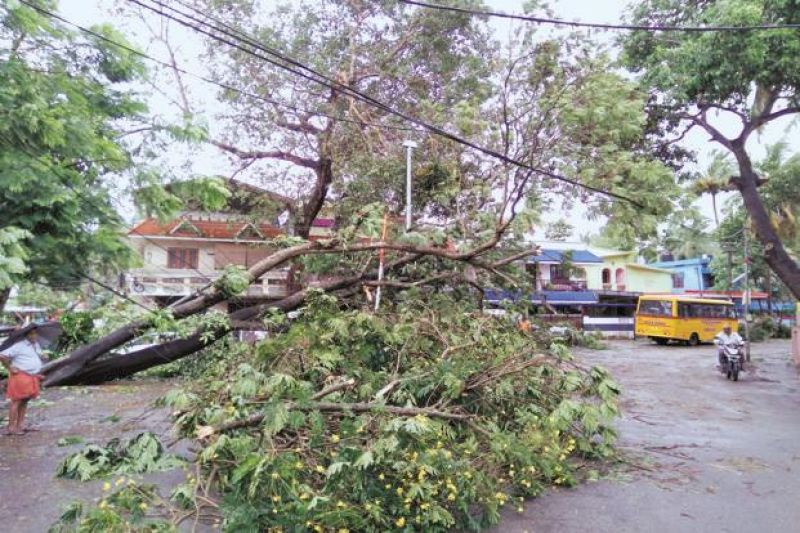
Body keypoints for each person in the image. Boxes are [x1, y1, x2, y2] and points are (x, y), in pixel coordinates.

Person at [0, 326, 46, 435]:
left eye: (35, 333)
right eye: (31, 334)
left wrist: (42, 357)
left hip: (31, 376)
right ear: (26, 335)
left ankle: (20, 425)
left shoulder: (36, 344)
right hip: (21, 376)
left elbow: (38, 355)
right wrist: (10, 368)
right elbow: (2, 356)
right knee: (16, 401)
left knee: (25, 401)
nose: (34, 336)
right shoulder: (19, 345)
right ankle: (11, 427)